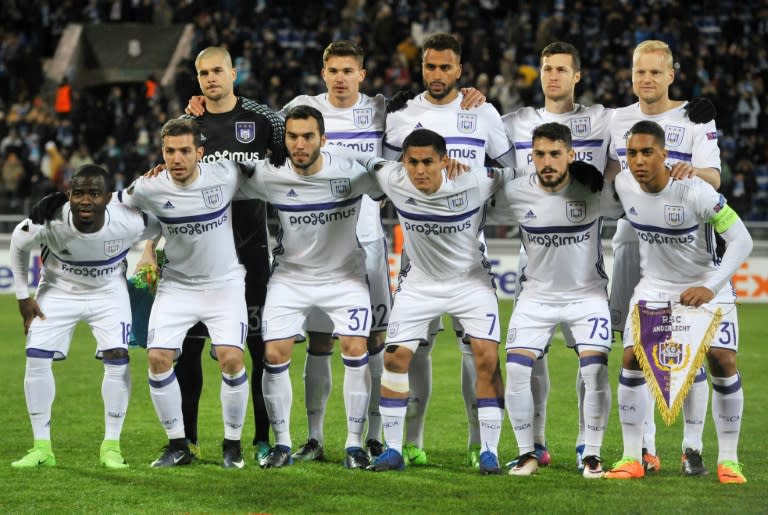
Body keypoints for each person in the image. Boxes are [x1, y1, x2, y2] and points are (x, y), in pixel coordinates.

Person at [382, 32, 515, 468]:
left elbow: (508, 170)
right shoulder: (402, 114)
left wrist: (468, 179)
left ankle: (481, 443)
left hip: (466, 250)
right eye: (429, 66)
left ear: (460, 69)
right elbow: (386, 176)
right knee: (412, 349)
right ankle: (409, 442)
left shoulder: (482, 111)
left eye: (445, 67)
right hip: (417, 254)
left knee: (474, 352)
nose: (436, 74)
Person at [236, 105, 384, 469]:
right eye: (292, 137)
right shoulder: (270, 174)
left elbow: (396, 179)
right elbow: (221, 176)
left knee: (354, 347)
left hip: (344, 277)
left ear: (323, 138)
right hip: (290, 278)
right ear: (284, 139)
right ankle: (283, 443)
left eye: (307, 137)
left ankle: (353, 444)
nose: (299, 144)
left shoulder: (350, 171)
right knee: (273, 355)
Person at [604, 120, 752, 484]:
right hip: (655, 287)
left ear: (664, 155)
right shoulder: (623, 185)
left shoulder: (695, 192)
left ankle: (729, 461)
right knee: (630, 358)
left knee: (722, 360)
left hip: (706, 284)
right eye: (632, 153)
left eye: (646, 153)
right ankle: (631, 457)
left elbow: (742, 240)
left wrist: (712, 287)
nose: (638, 161)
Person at [605, 40, 722, 475]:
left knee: (690, 348)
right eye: (639, 72)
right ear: (631, 75)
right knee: (634, 348)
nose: (647, 80)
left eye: (655, 72)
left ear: (671, 74)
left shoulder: (694, 117)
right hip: (632, 238)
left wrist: (692, 171)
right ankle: (644, 448)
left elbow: (715, 175)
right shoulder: (616, 119)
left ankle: (692, 447)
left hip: (684, 246)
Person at [366, 128, 508, 474]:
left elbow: (515, 176)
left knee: (486, 357)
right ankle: (394, 449)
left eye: (428, 162)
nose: (419, 170)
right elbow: (363, 161)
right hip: (420, 284)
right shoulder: (393, 178)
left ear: (444, 161)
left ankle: (489, 450)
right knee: (395, 357)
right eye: (412, 162)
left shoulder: (476, 180)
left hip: (470, 283)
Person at [501, 41, 612, 470]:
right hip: (536, 289)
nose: (553, 76)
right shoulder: (517, 132)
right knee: (519, 368)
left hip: (588, 288)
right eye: (546, 68)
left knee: (594, 369)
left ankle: (592, 451)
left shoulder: (601, 122)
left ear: (577, 75)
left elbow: (640, 145)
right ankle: (531, 449)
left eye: (562, 69)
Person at [172, 46, 285, 463]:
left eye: (217, 71)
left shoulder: (263, 119)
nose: (210, 79)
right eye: (203, 74)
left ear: (233, 73)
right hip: (199, 256)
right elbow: (170, 176)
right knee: (192, 349)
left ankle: (259, 437)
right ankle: (189, 438)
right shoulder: (190, 123)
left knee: (257, 348)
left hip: (252, 253)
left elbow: (297, 148)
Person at [278, 40, 390, 461]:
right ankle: (315, 437)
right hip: (318, 246)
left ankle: (373, 435)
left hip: (367, 240)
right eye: (334, 70)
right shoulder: (302, 108)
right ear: (323, 72)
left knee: (373, 339)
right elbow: (251, 132)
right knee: (320, 340)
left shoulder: (382, 110)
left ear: (362, 74)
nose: (341, 77)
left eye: (349, 70)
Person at [120, 118, 253, 469]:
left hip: (224, 285)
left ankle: (232, 445)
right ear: (162, 153)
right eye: (169, 152)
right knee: (158, 358)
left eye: (184, 151)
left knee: (231, 358)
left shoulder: (224, 174)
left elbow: (264, 172)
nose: (176, 159)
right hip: (177, 285)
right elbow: (121, 209)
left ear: (200, 153)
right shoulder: (149, 186)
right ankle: (177, 444)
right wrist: (147, 247)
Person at [9, 164, 160, 469]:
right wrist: (23, 297)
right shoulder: (49, 220)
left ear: (108, 198)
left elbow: (160, 226)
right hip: (57, 291)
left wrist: (149, 252)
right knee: (36, 357)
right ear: (69, 195)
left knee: (118, 357)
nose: (86, 200)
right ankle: (41, 448)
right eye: (78, 193)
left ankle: (111, 446)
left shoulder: (129, 221)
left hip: (108, 294)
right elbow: (17, 243)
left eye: (94, 193)